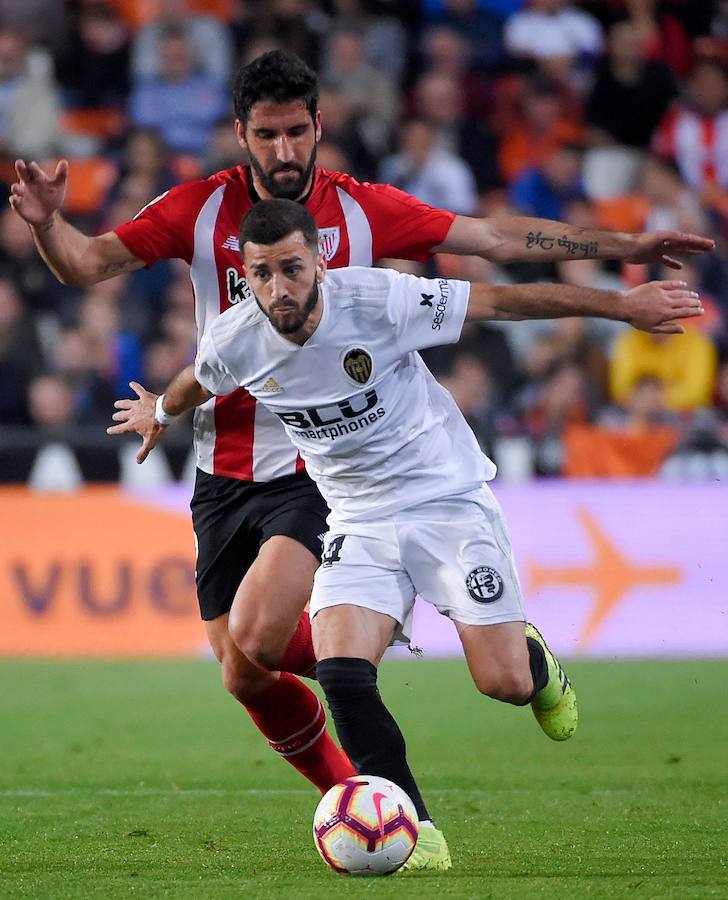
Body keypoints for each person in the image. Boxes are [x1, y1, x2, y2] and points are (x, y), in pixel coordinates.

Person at [8, 49, 715, 834]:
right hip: (223, 470)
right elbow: (86, 264)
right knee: (245, 672)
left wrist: (622, 252)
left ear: (320, 125)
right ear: (241, 133)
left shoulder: (362, 211)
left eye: (296, 133)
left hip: (328, 469)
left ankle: (380, 798)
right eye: (266, 136)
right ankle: (373, 793)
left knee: (263, 637)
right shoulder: (199, 211)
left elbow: (499, 242)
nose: (284, 153)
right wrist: (46, 226)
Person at [107, 198, 704, 870]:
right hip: (355, 516)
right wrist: (160, 408)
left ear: (321, 262)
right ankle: (416, 828)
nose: (280, 288)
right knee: (340, 668)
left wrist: (621, 307)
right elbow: (201, 379)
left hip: (443, 499)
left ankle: (534, 664)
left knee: (501, 682)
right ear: (247, 277)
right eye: (264, 274)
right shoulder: (236, 337)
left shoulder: (379, 301)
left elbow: (501, 303)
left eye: (293, 269)